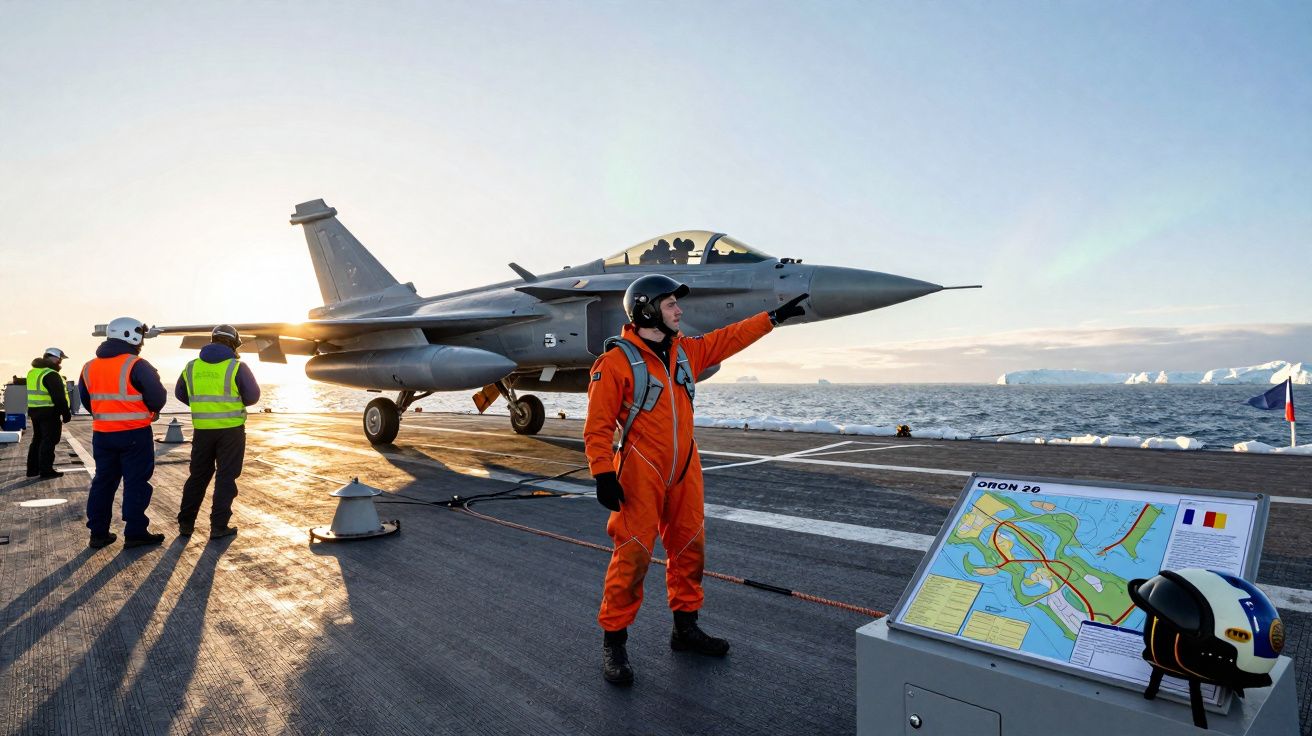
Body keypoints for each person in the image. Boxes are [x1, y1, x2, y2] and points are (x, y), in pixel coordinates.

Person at [583, 275, 809, 685]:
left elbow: (729, 338)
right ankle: (614, 642)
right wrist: (602, 473)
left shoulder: (685, 352)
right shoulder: (614, 363)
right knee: (633, 556)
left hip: (685, 467)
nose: (679, 310)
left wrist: (771, 319)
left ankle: (685, 628)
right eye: (670, 304)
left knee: (689, 548)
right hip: (640, 471)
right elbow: (597, 427)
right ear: (647, 310)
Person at [79, 317, 168, 549]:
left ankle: (98, 534)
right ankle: (136, 532)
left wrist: (105, 415)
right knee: (136, 482)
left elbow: (87, 400)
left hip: (102, 434)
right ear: (132, 336)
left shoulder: (89, 367)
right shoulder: (137, 364)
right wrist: (150, 411)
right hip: (134, 434)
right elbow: (157, 397)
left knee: (103, 482)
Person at [175, 324, 260, 540]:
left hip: (202, 431)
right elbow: (252, 397)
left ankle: (186, 523)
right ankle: (218, 526)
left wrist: (202, 407)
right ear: (233, 343)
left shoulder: (191, 367)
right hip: (231, 431)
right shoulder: (237, 367)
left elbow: (180, 393)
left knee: (198, 476)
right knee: (226, 477)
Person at [25, 348, 72, 479]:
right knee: (49, 440)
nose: (60, 361)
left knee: (38, 439)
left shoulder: (33, 372)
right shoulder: (51, 374)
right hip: (49, 412)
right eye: (60, 359)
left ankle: (33, 469)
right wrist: (66, 413)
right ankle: (46, 470)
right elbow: (59, 397)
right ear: (53, 357)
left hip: (35, 411)